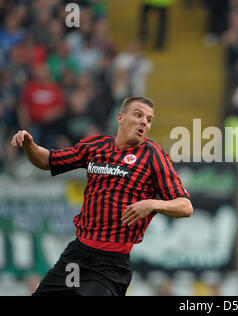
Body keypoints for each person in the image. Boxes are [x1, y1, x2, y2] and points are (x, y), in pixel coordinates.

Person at [11, 96, 193, 296]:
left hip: (110, 265)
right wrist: (29, 144)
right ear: (120, 117)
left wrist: (152, 204)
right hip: (78, 255)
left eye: (149, 120)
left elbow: (185, 206)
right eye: (138, 115)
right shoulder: (95, 146)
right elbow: (48, 161)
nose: (144, 122)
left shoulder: (152, 155)